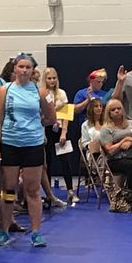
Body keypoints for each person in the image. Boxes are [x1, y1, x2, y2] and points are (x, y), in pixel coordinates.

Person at [0, 53, 55, 248]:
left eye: (28, 67)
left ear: (33, 70)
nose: (24, 70)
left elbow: (51, 118)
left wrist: (36, 124)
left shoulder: (40, 92)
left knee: (32, 189)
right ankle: (4, 229)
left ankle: (36, 232)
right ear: (15, 69)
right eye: (21, 67)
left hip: (32, 144)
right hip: (10, 143)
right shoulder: (5, 90)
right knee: (9, 188)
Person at [42, 67, 77, 203]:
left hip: (60, 129)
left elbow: (66, 115)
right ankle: (48, 193)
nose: (52, 80)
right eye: (49, 78)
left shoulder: (61, 94)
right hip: (47, 129)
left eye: (54, 78)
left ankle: (70, 191)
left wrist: (64, 132)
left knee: (65, 160)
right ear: (45, 80)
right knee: (48, 162)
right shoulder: (42, 93)